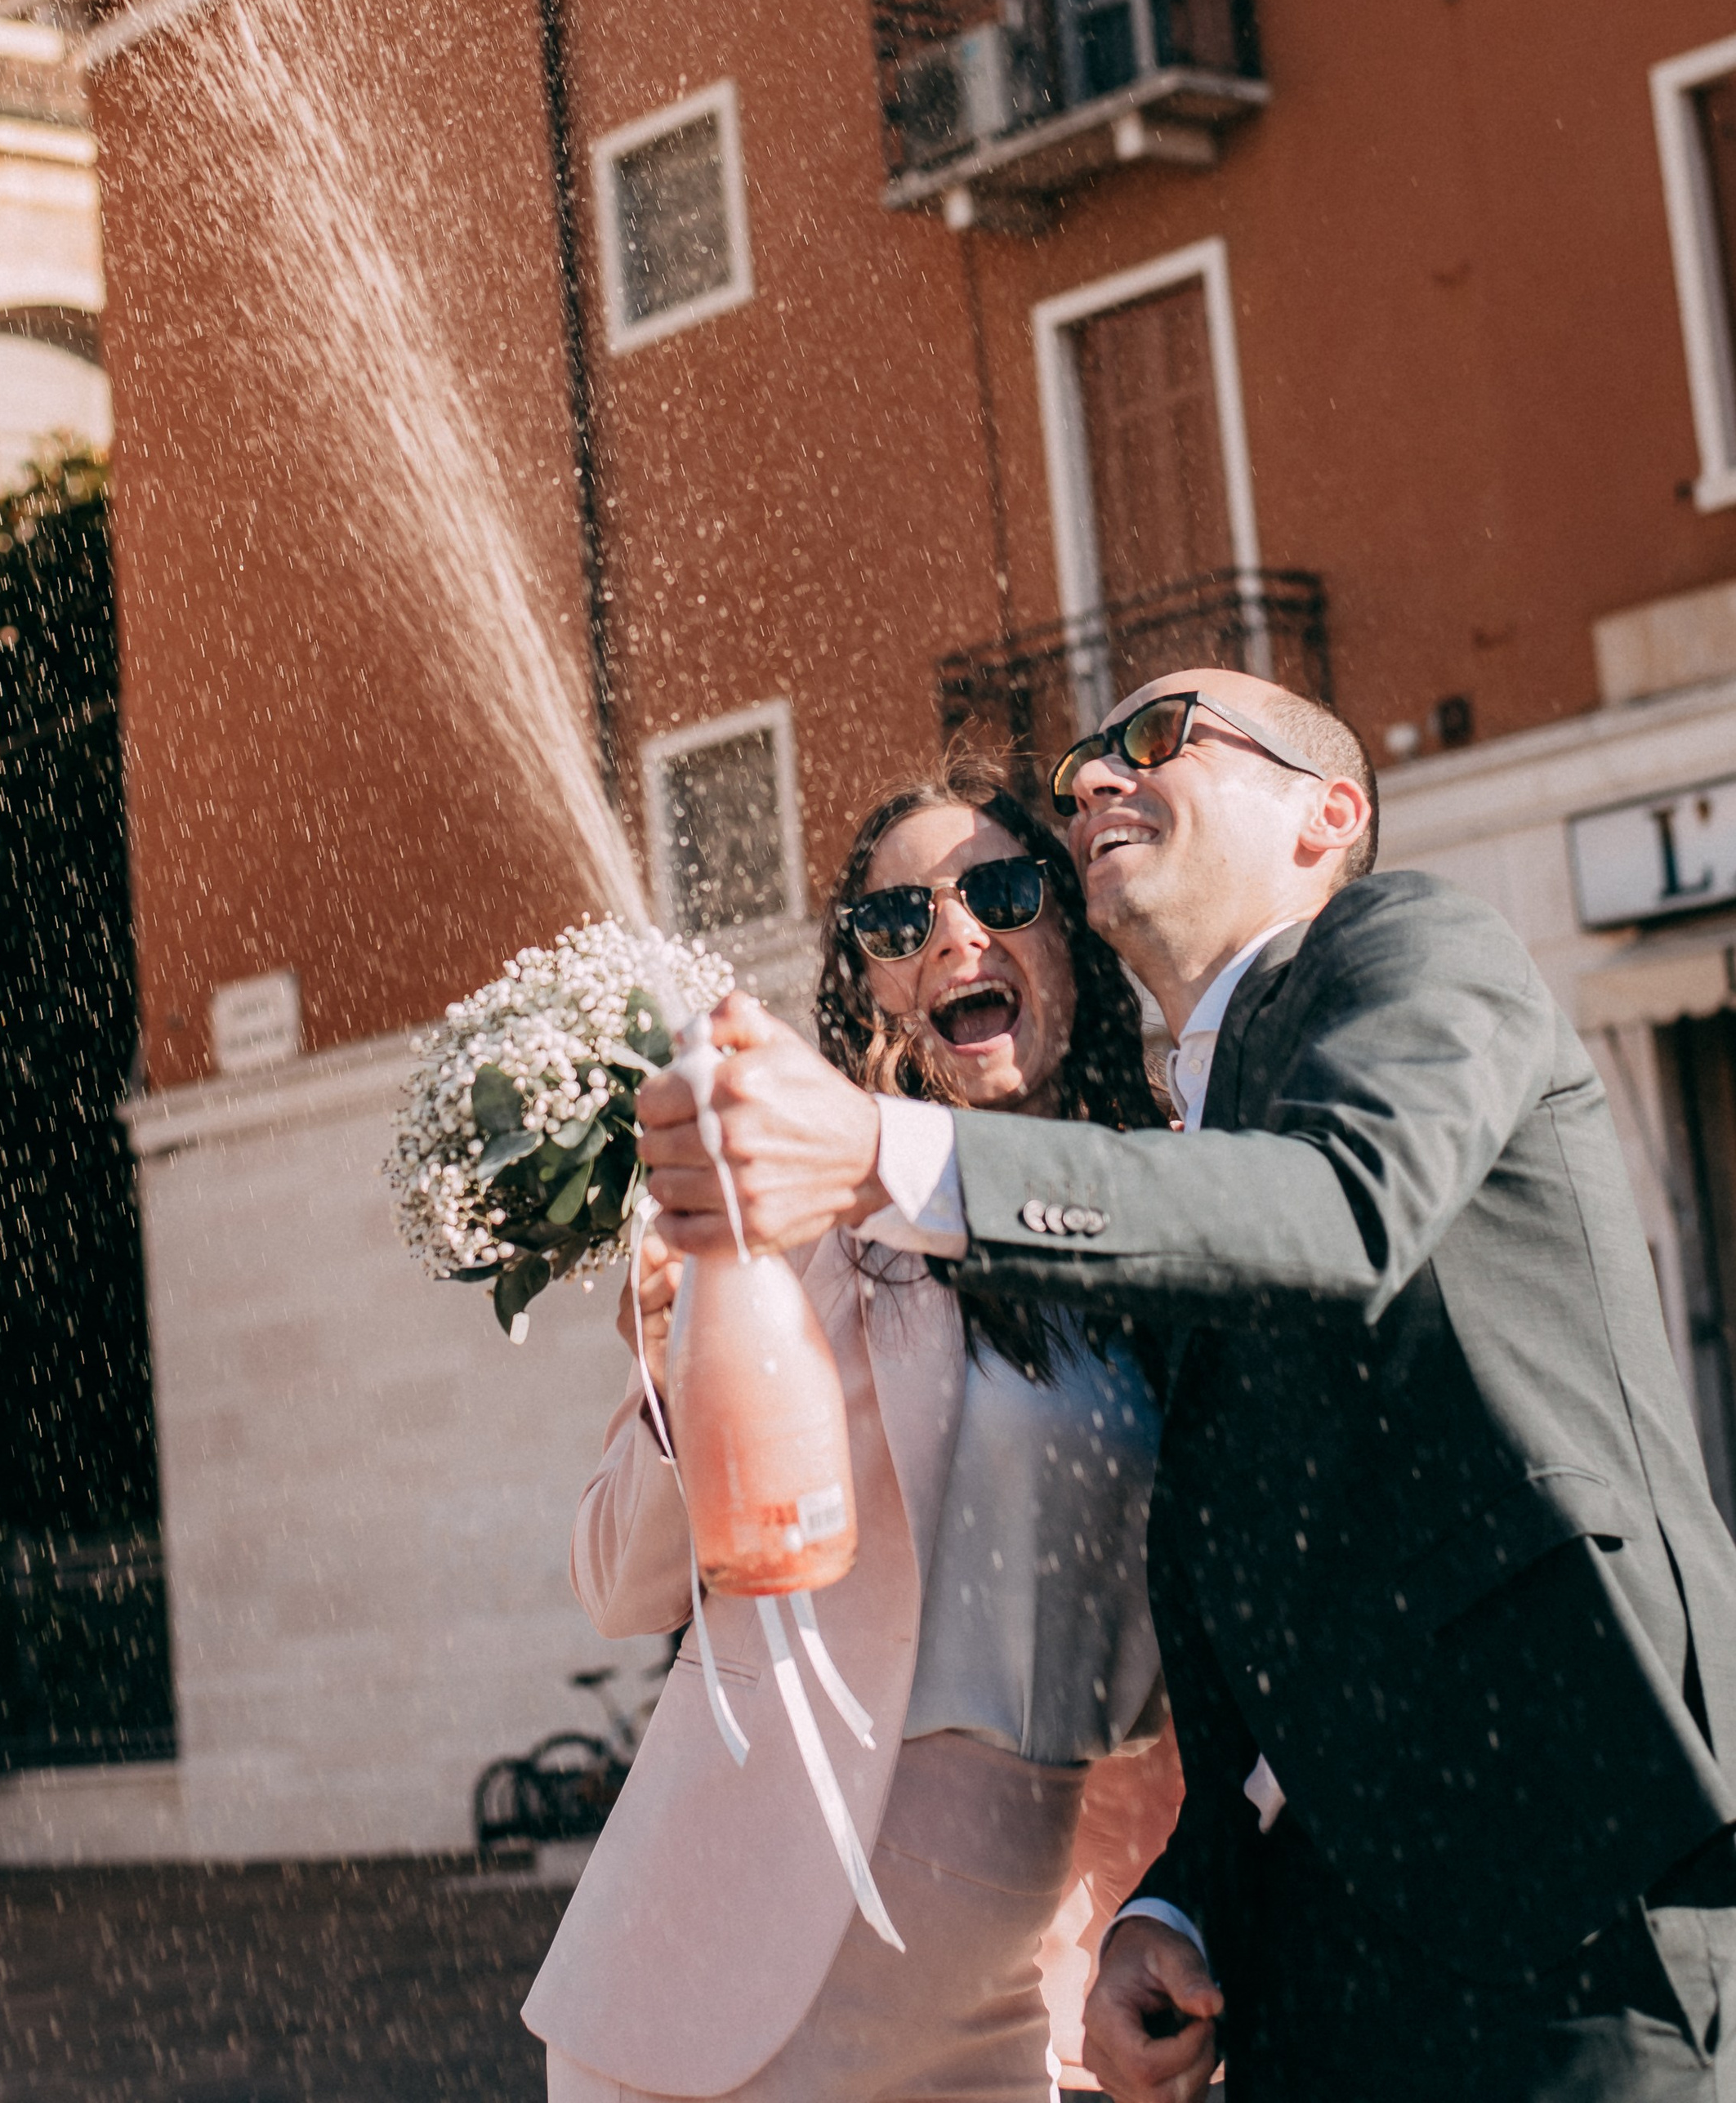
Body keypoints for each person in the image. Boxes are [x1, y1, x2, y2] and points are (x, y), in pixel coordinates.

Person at [639, 672, 1736, 2103]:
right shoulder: (1178, 1161)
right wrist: (1180, 1902)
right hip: (1308, 1979)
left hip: (1572, 1896)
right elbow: (1256, 1617)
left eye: (1157, 740)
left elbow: (1345, 1209)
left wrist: (889, 1157)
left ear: (1323, 814)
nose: (1095, 779)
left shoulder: (1411, 946)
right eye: (1088, 761)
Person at [524, 764, 1183, 2103]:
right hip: (723, 2003)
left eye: (1001, 891)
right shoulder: (817, 1231)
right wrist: (679, 1352)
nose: (955, 937)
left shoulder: (1164, 1211)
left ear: (1067, 928)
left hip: (1014, 2004)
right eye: (898, 924)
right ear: (873, 988)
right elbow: (622, 1584)